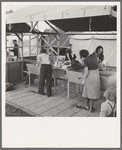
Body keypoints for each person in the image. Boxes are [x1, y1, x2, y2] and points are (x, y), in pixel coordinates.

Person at [81, 46, 104, 112]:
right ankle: (90, 108)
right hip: (96, 75)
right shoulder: (94, 55)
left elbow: (86, 71)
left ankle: (88, 106)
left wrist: (84, 79)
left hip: (90, 76)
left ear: (82, 56)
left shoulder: (86, 60)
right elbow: (99, 64)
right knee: (93, 93)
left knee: (88, 91)